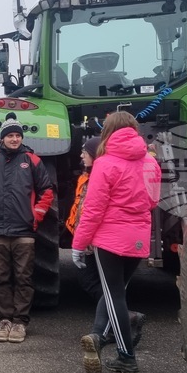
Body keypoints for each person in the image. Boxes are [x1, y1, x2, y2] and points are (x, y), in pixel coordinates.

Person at [74, 111, 161, 373]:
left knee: (114, 296)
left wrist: (79, 244)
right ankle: (99, 336)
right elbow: (153, 201)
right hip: (138, 238)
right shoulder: (151, 163)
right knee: (117, 292)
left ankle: (126, 357)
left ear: (107, 132)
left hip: (109, 238)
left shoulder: (105, 163)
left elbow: (93, 209)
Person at [0, 122, 54, 344]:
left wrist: (36, 215)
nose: (15, 139)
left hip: (23, 230)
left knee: (24, 278)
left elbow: (46, 190)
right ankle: (5, 320)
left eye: (18, 135)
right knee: (0, 278)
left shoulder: (32, 160)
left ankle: (20, 322)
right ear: (3, 138)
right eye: (10, 136)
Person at [65, 136, 145, 347]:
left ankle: (117, 323)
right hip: (93, 237)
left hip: (96, 239)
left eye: (85, 152)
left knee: (98, 284)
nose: (81, 155)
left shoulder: (98, 177)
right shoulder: (88, 176)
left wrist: (83, 240)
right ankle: (118, 322)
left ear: (94, 154)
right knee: (104, 285)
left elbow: (92, 211)